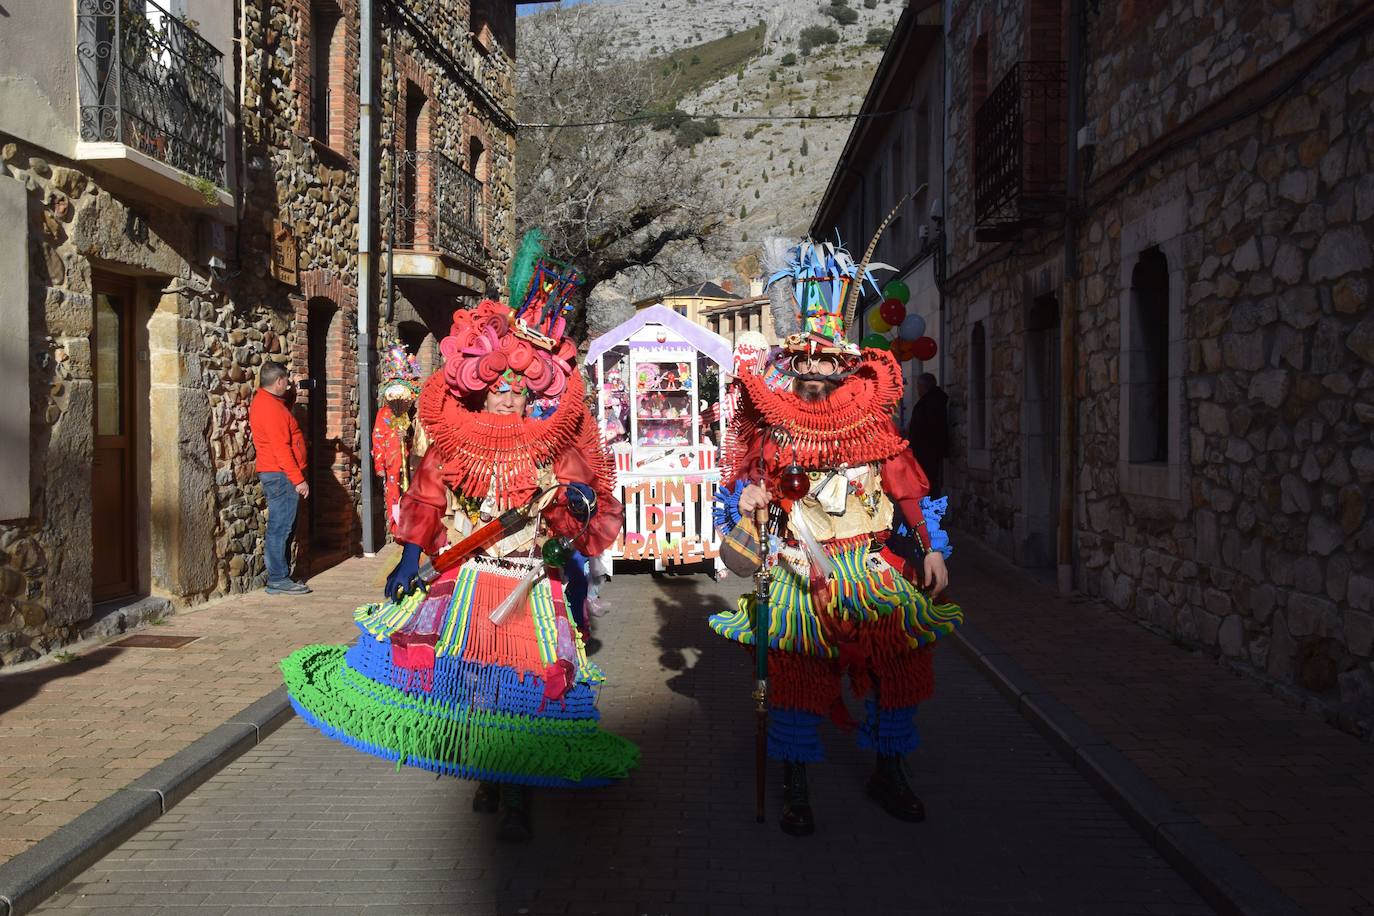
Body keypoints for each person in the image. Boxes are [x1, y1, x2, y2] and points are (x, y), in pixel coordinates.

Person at [282, 231, 637, 843]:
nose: (508, 394)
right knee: (473, 682)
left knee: (525, 689)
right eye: (499, 384)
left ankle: (518, 792)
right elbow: (427, 495)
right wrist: (410, 556)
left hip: (529, 582)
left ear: (535, 391)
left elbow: (584, 517)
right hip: (467, 577)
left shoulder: (556, 442)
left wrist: (572, 507)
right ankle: (488, 774)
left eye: (520, 388)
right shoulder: (455, 436)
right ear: (482, 383)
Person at [710, 236, 962, 837]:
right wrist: (752, 504)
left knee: (897, 667)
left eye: (827, 361)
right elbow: (750, 498)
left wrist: (929, 547)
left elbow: (905, 487)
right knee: (797, 680)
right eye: (806, 361)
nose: (817, 370)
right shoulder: (772, 428)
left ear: (844, 364)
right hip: (799, 570)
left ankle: (890, 771)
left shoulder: (875, 425)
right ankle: (796, 784)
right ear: (793, 365)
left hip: (870, 568)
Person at [249, 361, 311, 595]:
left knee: (285, 525)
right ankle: (277, 578)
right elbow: (281, 449)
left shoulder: (272, 403)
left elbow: (285, 412)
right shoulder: (271, 409)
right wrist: (298, 480)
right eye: (286, 380)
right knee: (280, 526)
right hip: (281, 474)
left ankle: (281, 576)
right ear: (277, 382)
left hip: (280, 473)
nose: (288, 383)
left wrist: (292, 392)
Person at [371, 343, 424, 534]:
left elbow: (417, 438)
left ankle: (412, 523)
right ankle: (396, 526)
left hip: (409, 461)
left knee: (413, 491)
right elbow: (377, 439)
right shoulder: (384, 414)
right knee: (393, 494)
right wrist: (379, 465)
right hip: (391, 461)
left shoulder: (410, 414)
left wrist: (407, 436)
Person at [907, 372, 949, 497]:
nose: (917, 389)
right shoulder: (932, 400)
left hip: (927, 451)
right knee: (929, 482)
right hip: (928, 450)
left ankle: (930, 513)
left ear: (923, 386)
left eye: (918, 386)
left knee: (929, 482)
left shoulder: (931, 402)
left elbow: (927, 426)